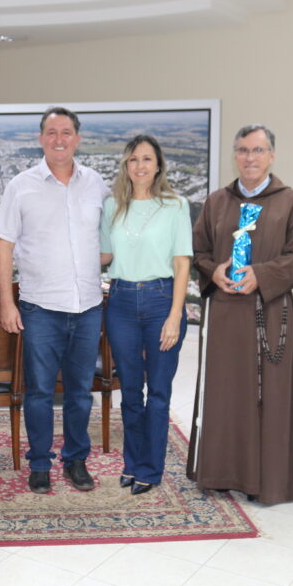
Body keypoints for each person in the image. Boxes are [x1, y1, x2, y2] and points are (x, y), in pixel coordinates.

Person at [186, 124, 293, 504]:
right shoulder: (217, 202)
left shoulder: (290, 202)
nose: (250, 157)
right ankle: (221, 472)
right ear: (235, 155)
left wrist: (262, 275)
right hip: (225, 313)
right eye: (243, 150)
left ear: (271, 155)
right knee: (225, 393)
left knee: (268, 396)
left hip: (269, 313)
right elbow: (199, 251)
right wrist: (214, 271)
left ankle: (266, 482)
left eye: (258, 150)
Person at [0, 106, 109, 495]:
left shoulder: (97, 185)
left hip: (88, 306)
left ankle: (76, 460)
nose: (59, 139)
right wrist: (7, 304)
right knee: (39, 392)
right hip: (40, 308)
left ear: (77, 138)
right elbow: (3, 247)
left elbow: (109, 243)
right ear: (41, 138)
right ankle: (39, 463)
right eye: (51, 132)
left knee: (79, 392)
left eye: (67, 132)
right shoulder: (21, 185)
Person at [100, 135, 192, 495]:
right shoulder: (112, 207)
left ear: (158, 166)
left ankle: (151, 469)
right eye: (134, 159)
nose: (140, 165)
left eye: (147, 159)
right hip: (120, 302)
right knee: (131, 393)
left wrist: (174, 316)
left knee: (158, 391)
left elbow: (182, 264)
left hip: (160, 302)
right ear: (126, 165)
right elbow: (104, 257)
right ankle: (132, 463)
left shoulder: (175, 206)